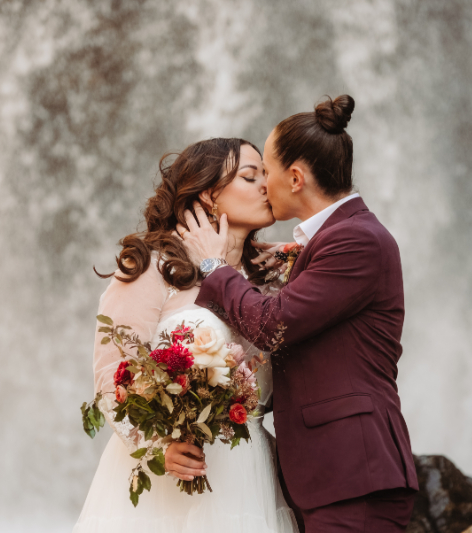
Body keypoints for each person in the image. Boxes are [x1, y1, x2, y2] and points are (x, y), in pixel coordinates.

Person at [177, 95, 419, 533]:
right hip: (329, 476)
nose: (262, 185)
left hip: (353, 475)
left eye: (263, 173)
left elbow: (273, 325)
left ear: (294, 178)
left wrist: (215, 266)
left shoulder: (356, 240)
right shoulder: (333, 240)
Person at [72, 138, 299, 533]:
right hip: (172, 472)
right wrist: (160, 447)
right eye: (251, 176)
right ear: (209, 195)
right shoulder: (153, 265)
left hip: (248, 469)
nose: (267, 184)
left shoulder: (272, 273)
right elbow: (112, 373)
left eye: (266, 173)